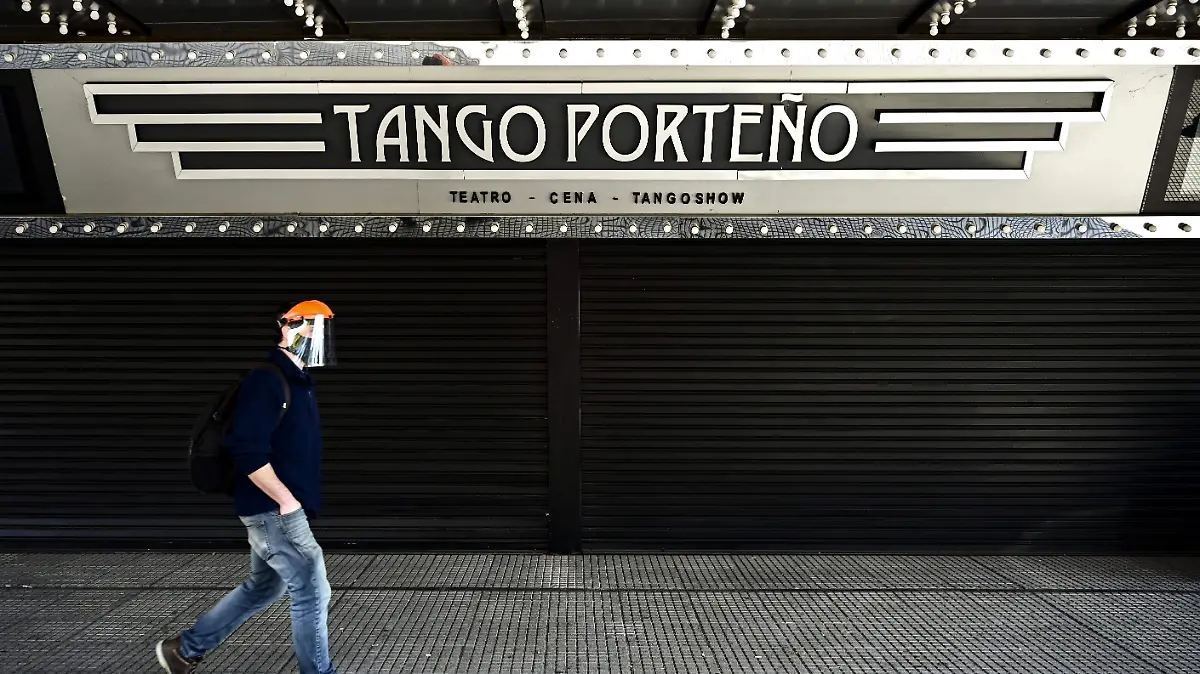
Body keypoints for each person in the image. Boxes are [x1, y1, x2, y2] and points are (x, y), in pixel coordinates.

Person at [156, 301, 338, 674]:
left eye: (324, 331)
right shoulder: (269, 379)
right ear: (287, 329)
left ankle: (184, 649)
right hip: (274, 510)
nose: (319, 339)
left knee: (264, 587)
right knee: (312, 591)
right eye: (313, 329)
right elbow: (246, 449)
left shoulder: (298, 380)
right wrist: (286, 501)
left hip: (279, 507)